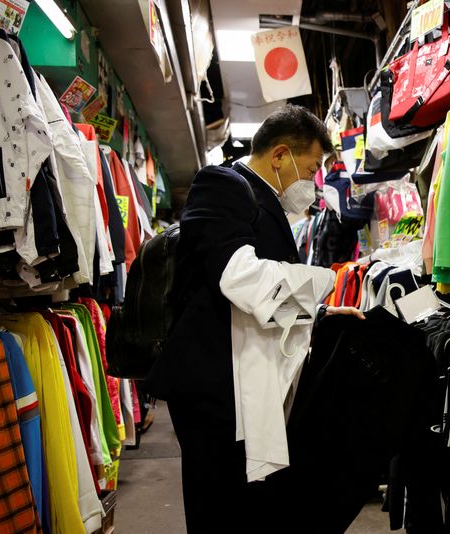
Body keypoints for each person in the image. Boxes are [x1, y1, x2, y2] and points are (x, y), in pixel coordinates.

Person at [145, 105, 363, 532]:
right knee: (218, 507)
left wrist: (317, 313)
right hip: (214, 388)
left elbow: (262, 295)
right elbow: (239, 277)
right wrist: (320, 283)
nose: (313, 181)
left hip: (243, 380)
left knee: (247, 506)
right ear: (280, 155)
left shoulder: (260, 198)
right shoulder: (222, 184)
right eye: (312, 166)